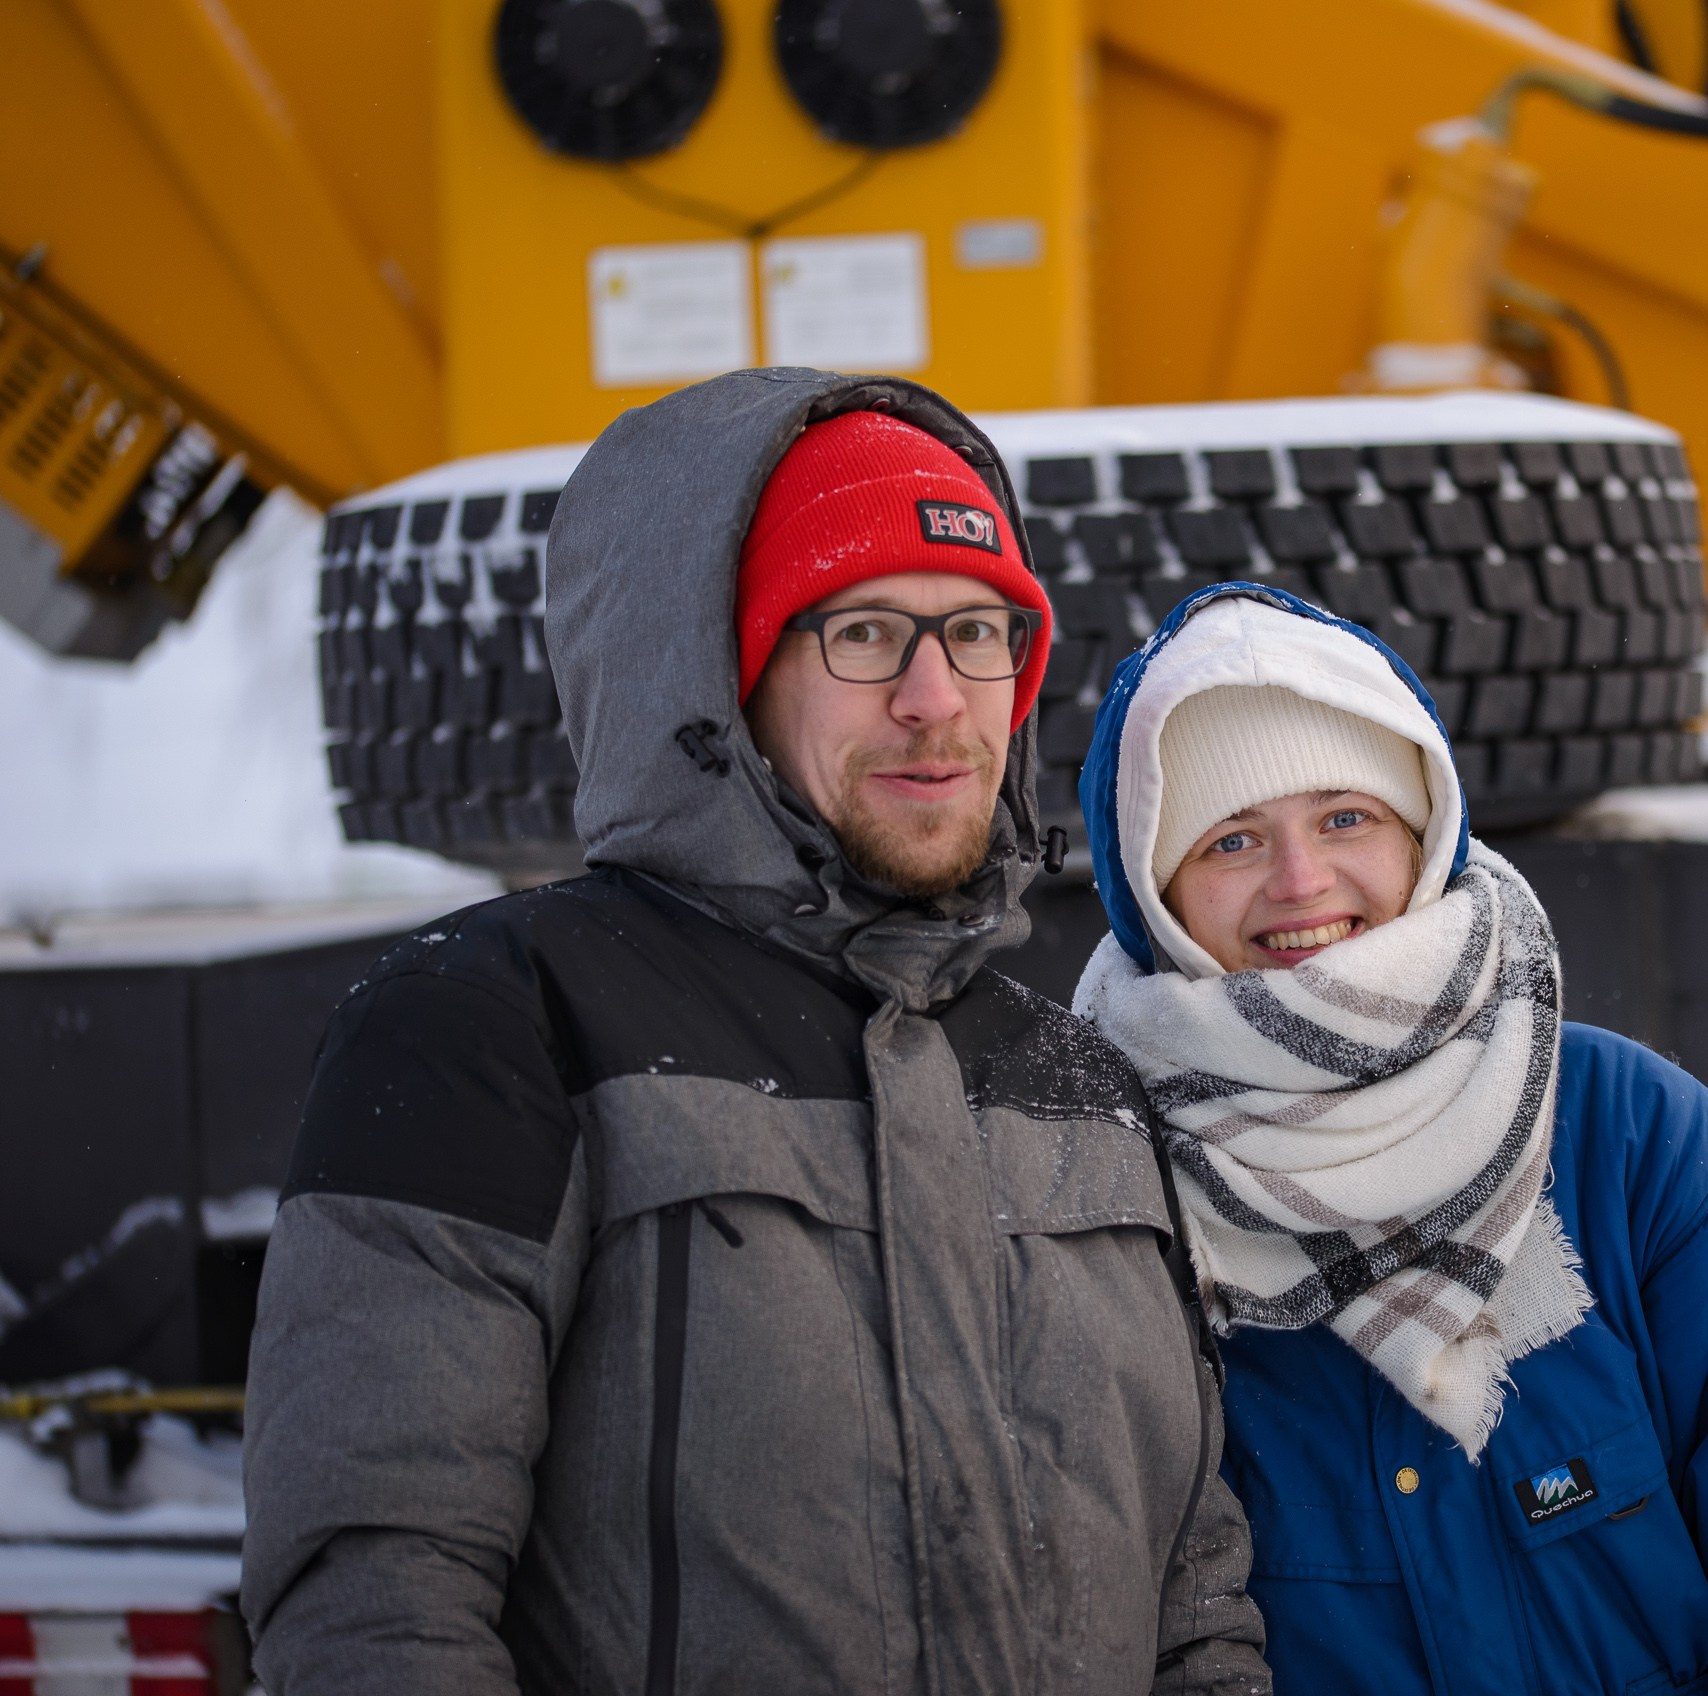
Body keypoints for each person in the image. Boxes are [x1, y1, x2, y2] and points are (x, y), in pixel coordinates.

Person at [241, 372, 1270, 1696]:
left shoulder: (1077, 1085)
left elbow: (1196, 1602)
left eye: (978, 632)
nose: (934, 699)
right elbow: (378, 1599)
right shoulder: (495, 1023)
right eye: (861, 633)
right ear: (720, 674)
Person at [1073, 583, 1708, 1696]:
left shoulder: (1633, 1144)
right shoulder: (1108, 1198)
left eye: (1345, 816)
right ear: (1153, 900)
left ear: (1425, 830)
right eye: (1233, 838)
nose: (1301, 882)